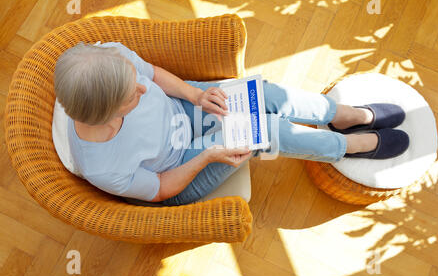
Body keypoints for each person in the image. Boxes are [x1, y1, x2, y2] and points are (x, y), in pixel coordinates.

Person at [54, 42, 409, 206]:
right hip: (182, 168)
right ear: (110, 115)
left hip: (182, 107)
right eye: (132, 96)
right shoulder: (103, 165)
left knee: (265, 96)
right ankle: (347, 147)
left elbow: (154, 76)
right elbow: (162, 189)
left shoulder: (107, 60)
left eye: (135, 81)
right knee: (266, 132)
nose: (143, 89)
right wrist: (208, 155)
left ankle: (343, 115)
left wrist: (194, 95)